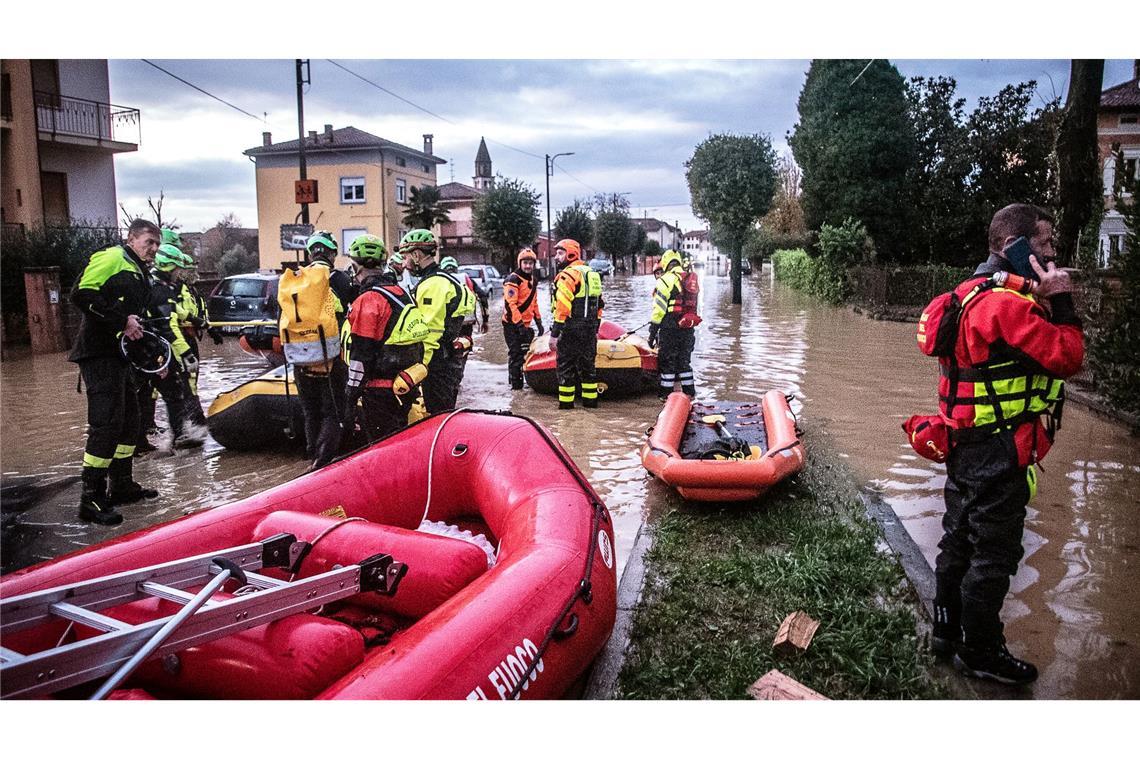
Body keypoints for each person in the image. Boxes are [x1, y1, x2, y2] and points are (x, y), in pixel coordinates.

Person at [929, 204, 1084, 686]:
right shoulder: (1009, 305)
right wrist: (1061, 300)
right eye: (1044, 244)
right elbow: (1068, 357)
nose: (1054, 252)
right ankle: (982, 651)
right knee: (993, 555)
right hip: (1000, 449)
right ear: (1013, 246)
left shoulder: (962, 296)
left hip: (962, 442)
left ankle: (945, 632)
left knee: (957, 539)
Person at [69, 219, 162, 525]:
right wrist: (121, 321)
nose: (154, 249)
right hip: (98, 354)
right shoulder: (112, 258)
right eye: (149, 242)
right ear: (132, 238)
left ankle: (120, 485)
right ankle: (90, 497)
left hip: (120, 356)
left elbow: (137, 319)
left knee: (130, 421)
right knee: (106, 424)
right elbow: (81, 294)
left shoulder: (138, 270)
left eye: (157, 244)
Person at [342, 234, 429, 439]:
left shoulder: (368, 300)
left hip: (380, 392)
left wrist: (350, 396)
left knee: (380, 445)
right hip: (406, 384)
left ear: (356, 268)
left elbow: (361, 356)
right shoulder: (401, 293)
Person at [288, 231, 351, 470]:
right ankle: (323, 464)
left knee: (310, 411)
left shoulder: (296, 278)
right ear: (332, 253)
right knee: (332, 412)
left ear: (310, 253)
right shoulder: (340, 280)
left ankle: (310, 454)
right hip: (332, 359)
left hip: (301, 358)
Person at [401, 229, 475, 414]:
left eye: (405, 257)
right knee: (444, 412)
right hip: (449, 361)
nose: (403, 263)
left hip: (436, 364)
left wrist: (419, 369)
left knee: (436, 415)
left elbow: (428, 333)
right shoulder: (447, 280)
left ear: (416, 255)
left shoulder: (432, 285)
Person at [145, 243, 208, 448]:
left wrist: (196, 320)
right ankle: (177, 437)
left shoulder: (157, 285)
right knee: (173, 392)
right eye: (176, 269)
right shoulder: (161, 289)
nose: (179, 274)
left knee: (163, 392)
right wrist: (187, 353)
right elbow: (168, 326)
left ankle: (149, 440)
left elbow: (175, 311)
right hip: (154, 347)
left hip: (148, 346)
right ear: (168, 267)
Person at [549, 239, 603, 410]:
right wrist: (596, 329)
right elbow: (599, 305)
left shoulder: (567, 275)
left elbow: (562, 307)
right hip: (588, 330)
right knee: (589, 370)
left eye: (560, 253)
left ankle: (566, 412)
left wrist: (554, 334)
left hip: (570, 330)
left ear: (571, 253)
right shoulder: (592, 274)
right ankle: (591, 407)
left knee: (565, 371)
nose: (556, 257)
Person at [648, 249, 700, 399]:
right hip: (688, 327)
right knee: (684, 362)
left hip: (670, 327)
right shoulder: (691, 279)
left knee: (668, 362)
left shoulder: (664, 280)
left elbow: (658, 311)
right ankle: (690, 394)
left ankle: (666, 396)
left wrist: (652, 333)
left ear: (665, 263)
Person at [502, 248, 544, 390]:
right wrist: (519, 325)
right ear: (520, 263)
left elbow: (534, 303)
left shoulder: (533, 280)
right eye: (525, 263)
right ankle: (516, 389)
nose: (528, 266)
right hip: (511, 325)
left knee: (525, 354)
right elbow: (510, 304)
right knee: (516, 354)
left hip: (525, 325)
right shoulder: (513, 280)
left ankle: (515, 380)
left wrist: (539, 322)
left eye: (530, 263)